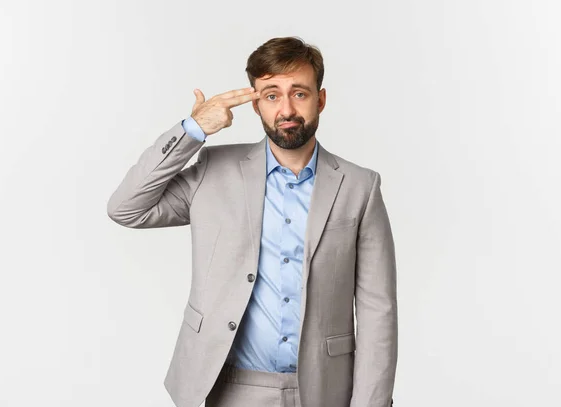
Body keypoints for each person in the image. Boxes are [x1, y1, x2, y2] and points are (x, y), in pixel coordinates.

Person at [107, 36, 397, 407]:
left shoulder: (360, 186)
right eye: (272, 95)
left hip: (325, 389)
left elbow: (378, 310)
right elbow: (126, 208)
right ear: (256, 103)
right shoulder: (213, 171)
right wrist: (193, 130)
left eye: (300, 93)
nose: (287, 108)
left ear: (320, 100)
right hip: (230, 387)